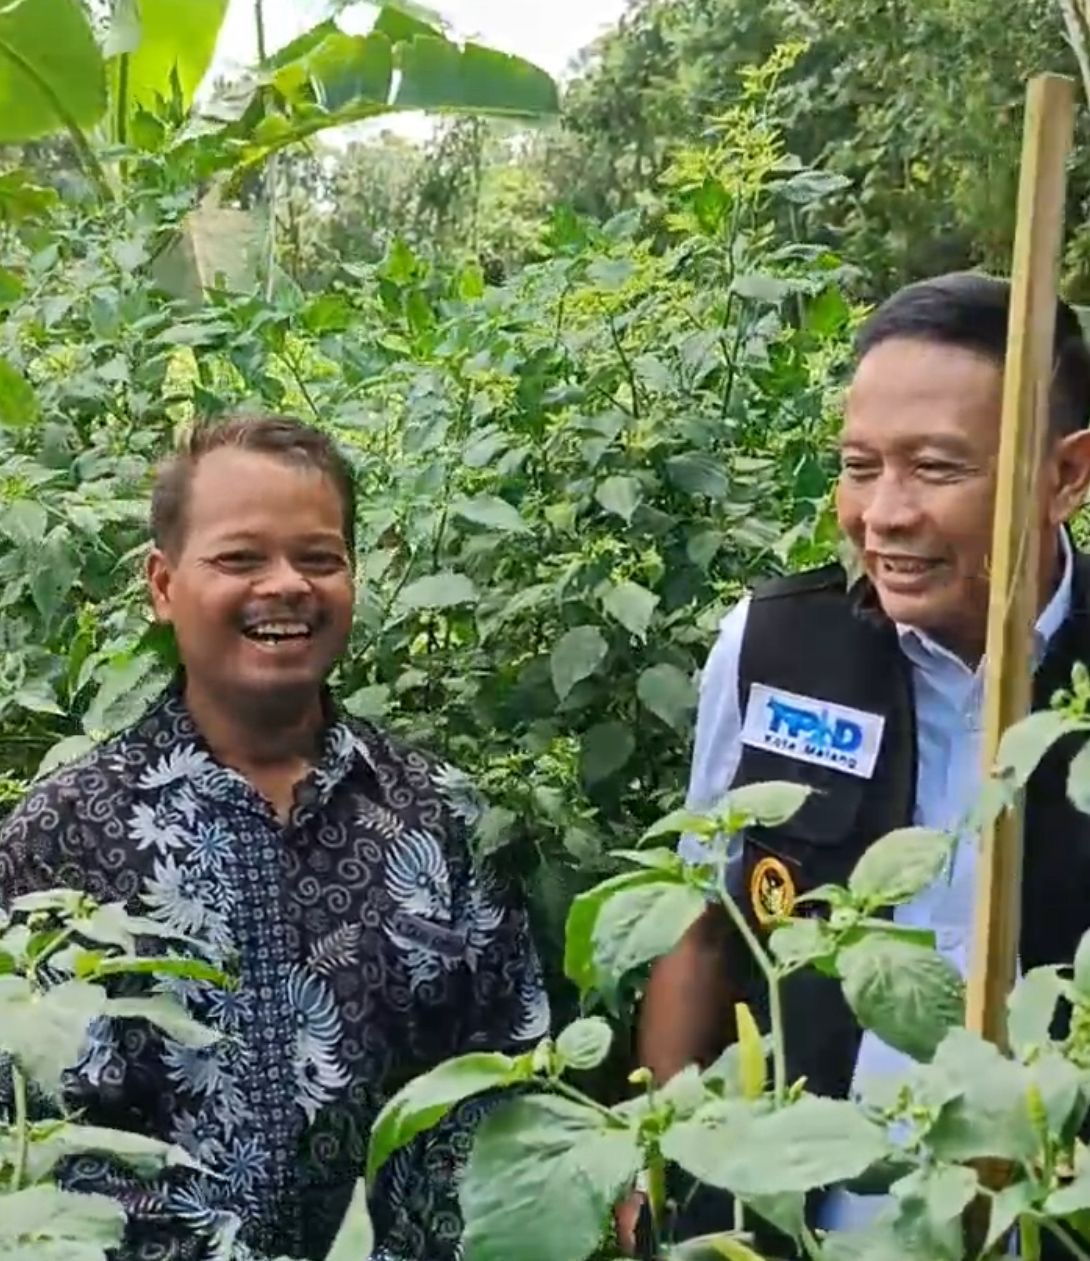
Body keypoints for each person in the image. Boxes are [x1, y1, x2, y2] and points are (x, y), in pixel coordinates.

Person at [0, 415, 550, 1261]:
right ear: (162, 583)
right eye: (240, 558)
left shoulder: (442, 815)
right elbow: (31, 1145)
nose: (287, 584)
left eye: (319, 557)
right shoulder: (60, 840)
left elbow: (509, 1076)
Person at [620, 272, 1090, 1255]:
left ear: (1067, 473)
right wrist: (657, 1166)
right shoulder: (774, 651)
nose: (883, 513)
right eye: (859, 465)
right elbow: (704, 922)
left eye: (935, 468)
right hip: (799, 1224)